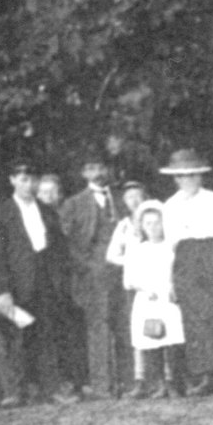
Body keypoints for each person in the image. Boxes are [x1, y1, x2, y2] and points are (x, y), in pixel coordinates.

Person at [0, 161, 75, 407]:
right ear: (12, 181)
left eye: (32, 180)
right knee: (18, 337)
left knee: (47, 335)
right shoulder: (2, 214)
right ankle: (17, 392)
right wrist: (5, 290)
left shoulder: (47, 211)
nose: (28, 185)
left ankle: (50, 388)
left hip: (46, 280)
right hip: (18, 283)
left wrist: (59, 281)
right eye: (22, 180)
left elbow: (59, 249)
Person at [161, 148, 213, 395]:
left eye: (191, 175)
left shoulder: (212, 199)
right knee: (192, 321)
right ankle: (204, 375)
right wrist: (170, 280)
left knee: (212, 316)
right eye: (181, 177)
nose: (186, 181)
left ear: (200, 177)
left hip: (210, 255)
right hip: (184, 260)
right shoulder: (169, 205)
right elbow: (170, 245)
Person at [59, 154, 125, 398]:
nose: (97, 172)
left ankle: (128, 382)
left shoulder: (120, 198)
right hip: (93, 272)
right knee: (99, 327)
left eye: (100, 166)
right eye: (90, 168)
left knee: (125, 324)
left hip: (124, 268)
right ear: (83, 174)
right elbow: (67, 244)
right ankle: (102, 385)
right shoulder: (73, 204)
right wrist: (87, 266)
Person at [120, 200, 185, 397]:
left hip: (168, 297)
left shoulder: (171, 247)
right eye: (148, 223)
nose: (153, 228)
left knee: (171, 341)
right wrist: (147, 289)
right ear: (141, 226)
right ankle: (160, 384)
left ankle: (173, 382)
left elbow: (179, 271)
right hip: (148, 298)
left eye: (157, 222)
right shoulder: (138, 249)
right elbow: (128, 280)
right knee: (152, 341)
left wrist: (174, 286)